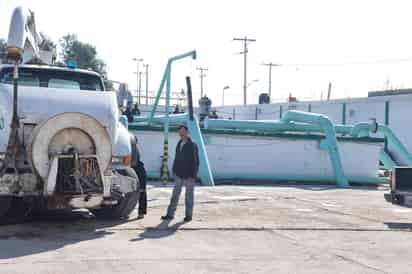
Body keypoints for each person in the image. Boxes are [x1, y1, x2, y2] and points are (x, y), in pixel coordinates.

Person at [162, 125, 199, 222]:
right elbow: (177, 158)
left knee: (189, 196)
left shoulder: (192, 145)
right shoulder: (179, 143)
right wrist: (174, 169)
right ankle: (170, 214)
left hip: (189, 176)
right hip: (178, 174)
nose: (181, 133)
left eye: (183, 131)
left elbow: (196, 161)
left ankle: (188, 216)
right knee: (175, 195)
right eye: (180, 131)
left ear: (187, 132)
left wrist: (193, 175)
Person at [130, 135, 147, 219]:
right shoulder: (130, 148)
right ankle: (140, 212)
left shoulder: (133, 148)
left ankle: (141, 212)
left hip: (138, 171)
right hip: (136, 170)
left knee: (141, 191)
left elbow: (133, 163)